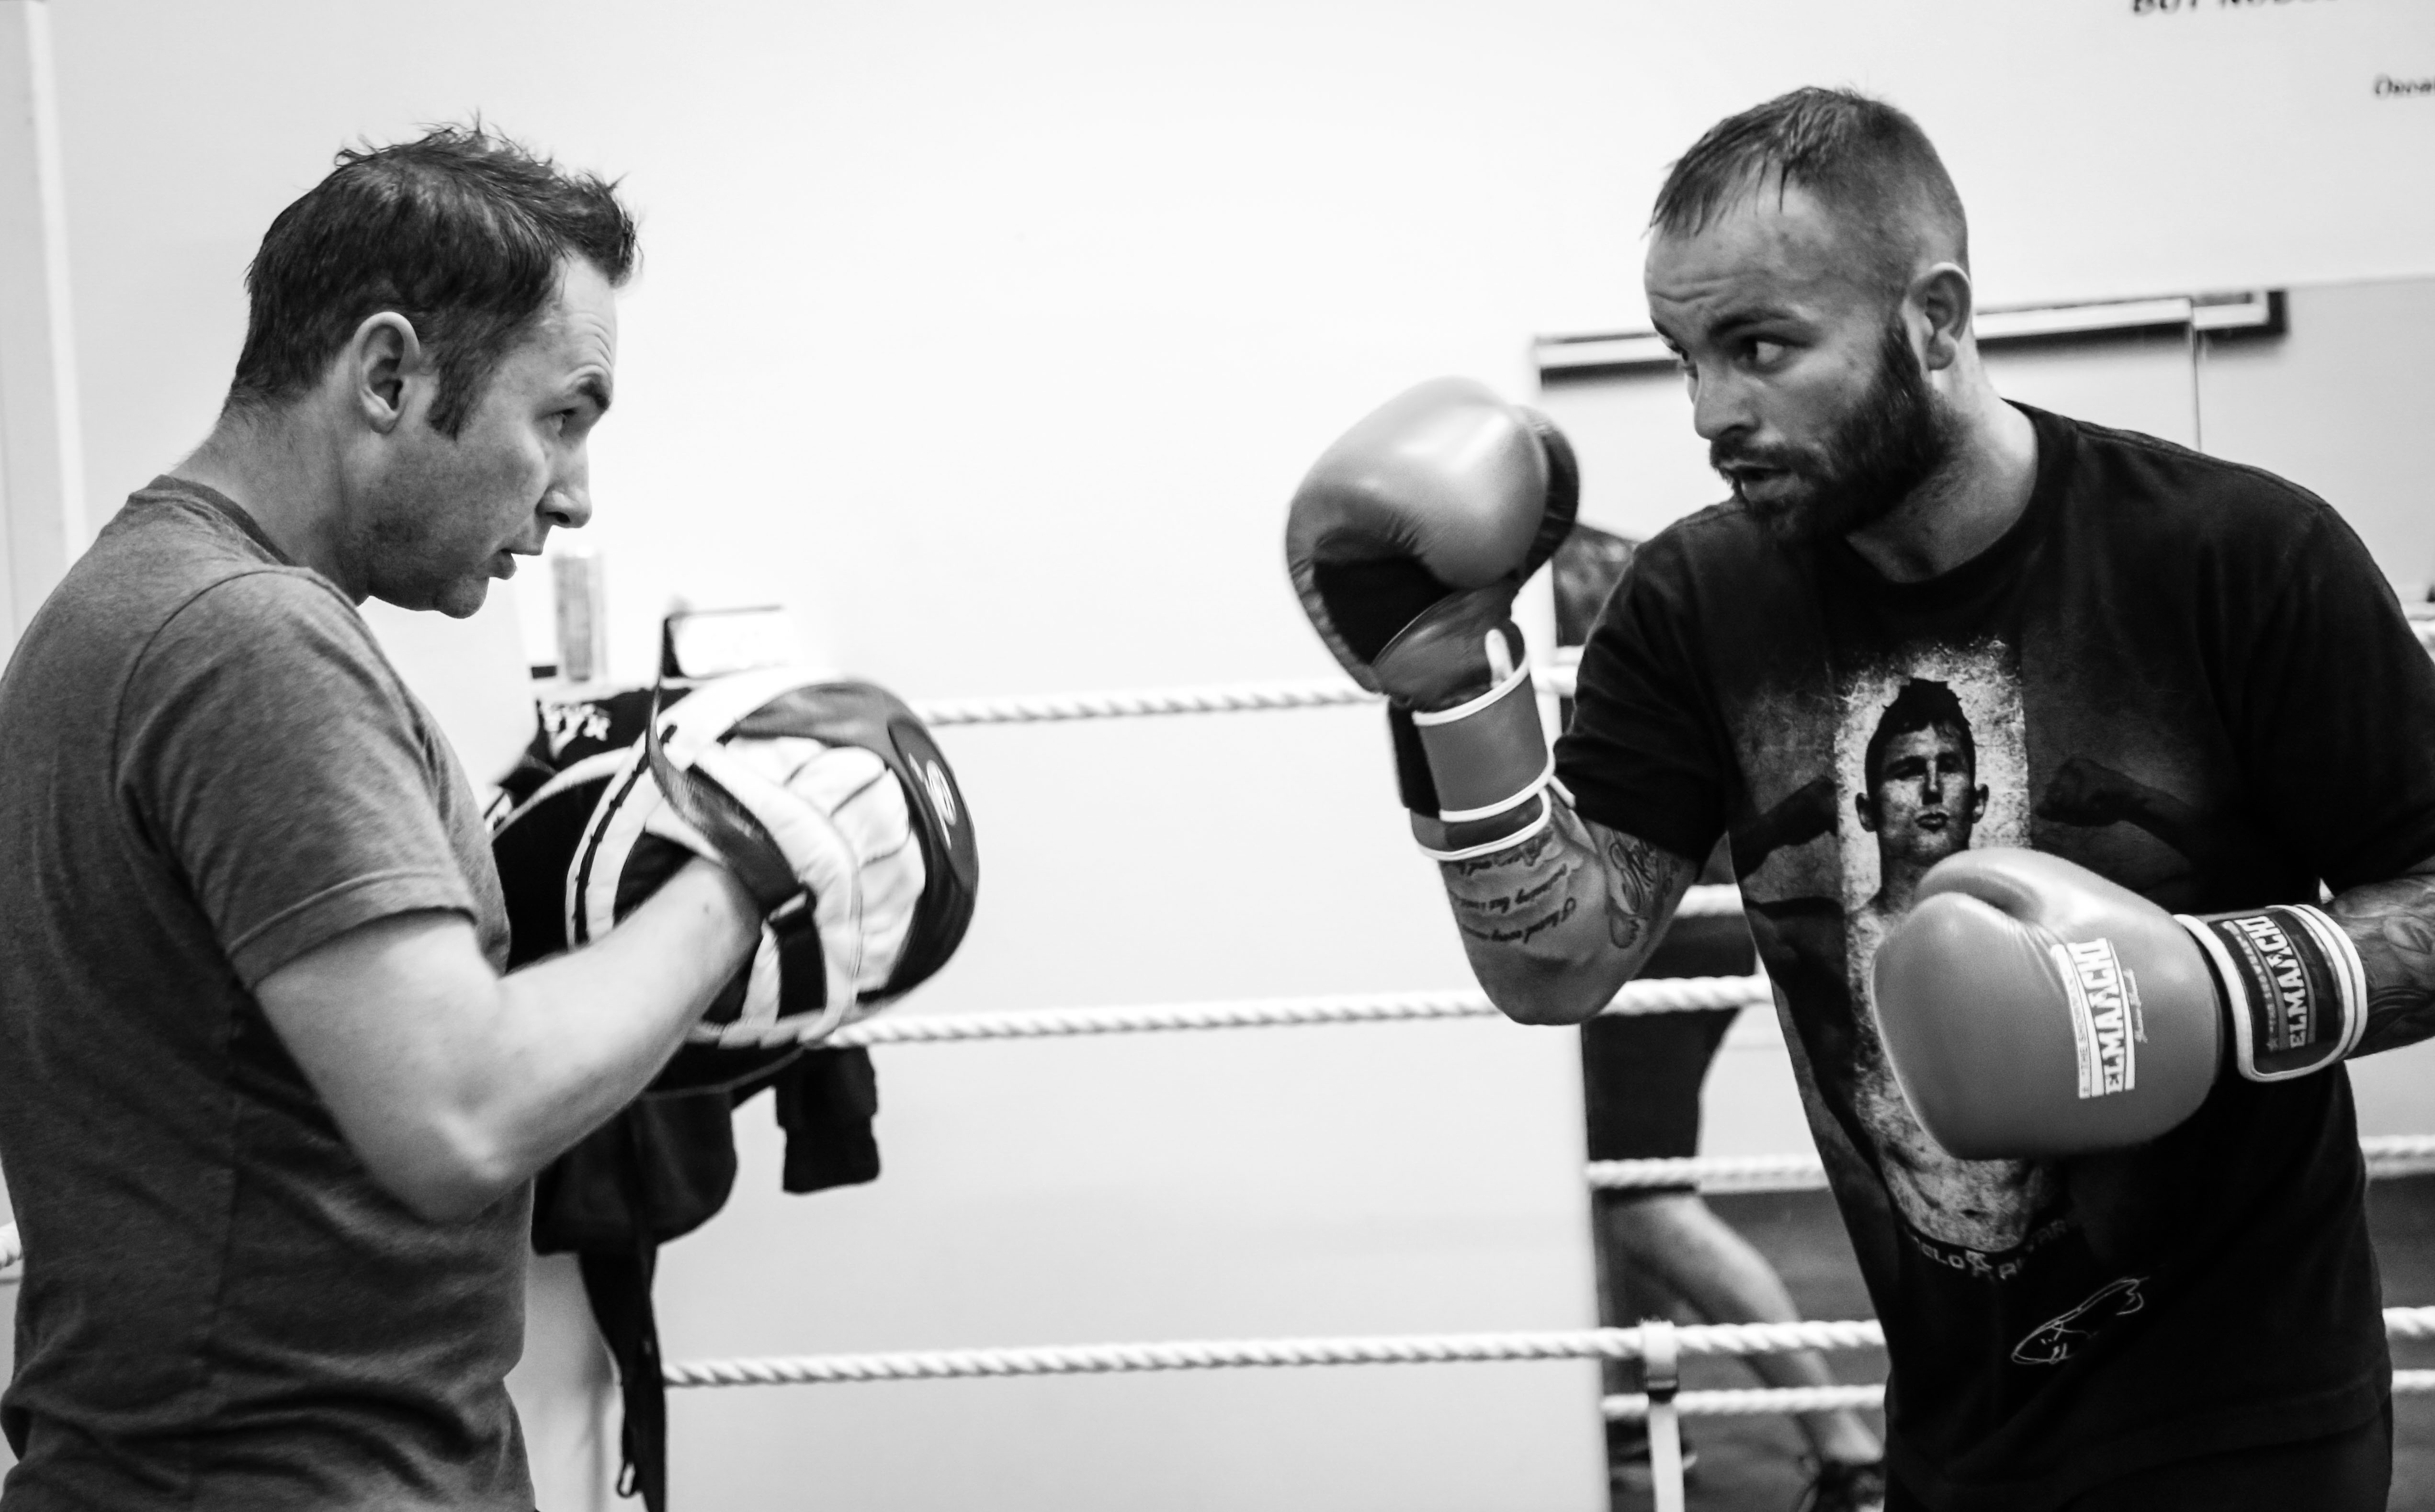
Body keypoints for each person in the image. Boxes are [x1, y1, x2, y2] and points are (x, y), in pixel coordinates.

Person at [1289, 87, 2435, 1511]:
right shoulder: (1693, 604)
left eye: (1759, 347)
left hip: (2249, 1410)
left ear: (1932, 319)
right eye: (1685, 356)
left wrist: (2215, 990)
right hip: (1951, 1419)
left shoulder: (2233, 556)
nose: (1709, 411)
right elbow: (1553, 964)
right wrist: (1452, 695)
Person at [0, 127, 922, 1510]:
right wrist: (746, 861)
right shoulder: (249, 645)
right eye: (563, 415)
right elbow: (459, 1115)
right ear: (389, 375)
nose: (575, 492)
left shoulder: (125, 607)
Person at [1558, 528, 1884, 1507]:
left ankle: (1844, 1444)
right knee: (1619, 1180)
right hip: (1693, 899)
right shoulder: (1625, 562)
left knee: (1642, 1198)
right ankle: (1637, 1425)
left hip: (1636, 914)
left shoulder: (1518, 591)